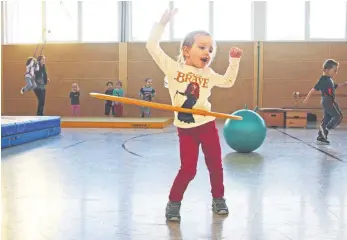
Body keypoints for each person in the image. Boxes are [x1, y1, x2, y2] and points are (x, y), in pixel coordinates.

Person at [146, 8, 242, 222]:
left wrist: (234, 61)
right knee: (188, 169)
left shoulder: (207, 74)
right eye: (202, 47)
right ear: (187, 50)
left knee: (215, 165)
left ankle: (218, 199)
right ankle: (173, 203)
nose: (207, 52)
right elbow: (151, 46)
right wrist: (161, 24)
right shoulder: (172, 69)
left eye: (210, 49)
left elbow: (227, 81)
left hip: (207, 125)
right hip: (186, 129)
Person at [303, 59, 347, 144]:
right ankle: (326, 129)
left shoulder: (329, 80)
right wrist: (307, 99)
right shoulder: (323, 80)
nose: (336, 72)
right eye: (334, 70)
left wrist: (345, 84)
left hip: (328, 100)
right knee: (338, 116)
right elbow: (313, 90)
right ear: (326, 70)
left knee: (327, 118)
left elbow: (335, 86)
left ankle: (321, 137)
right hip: (328, 100)